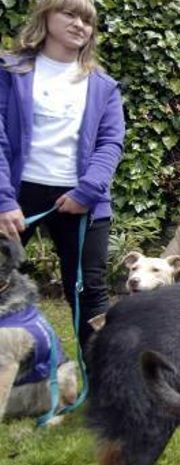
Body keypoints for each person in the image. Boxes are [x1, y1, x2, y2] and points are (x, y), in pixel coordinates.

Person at [0, 0, 124, 346]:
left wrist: (87, 192)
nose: (79, 25)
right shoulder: (9, 72)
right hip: (15, 196)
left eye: (87, 19)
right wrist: (3, 200)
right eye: (69, 14)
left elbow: (110, 143)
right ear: (45, 17)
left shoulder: (104, 85)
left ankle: (101, 385)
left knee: (90, 294)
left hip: (82, 199)